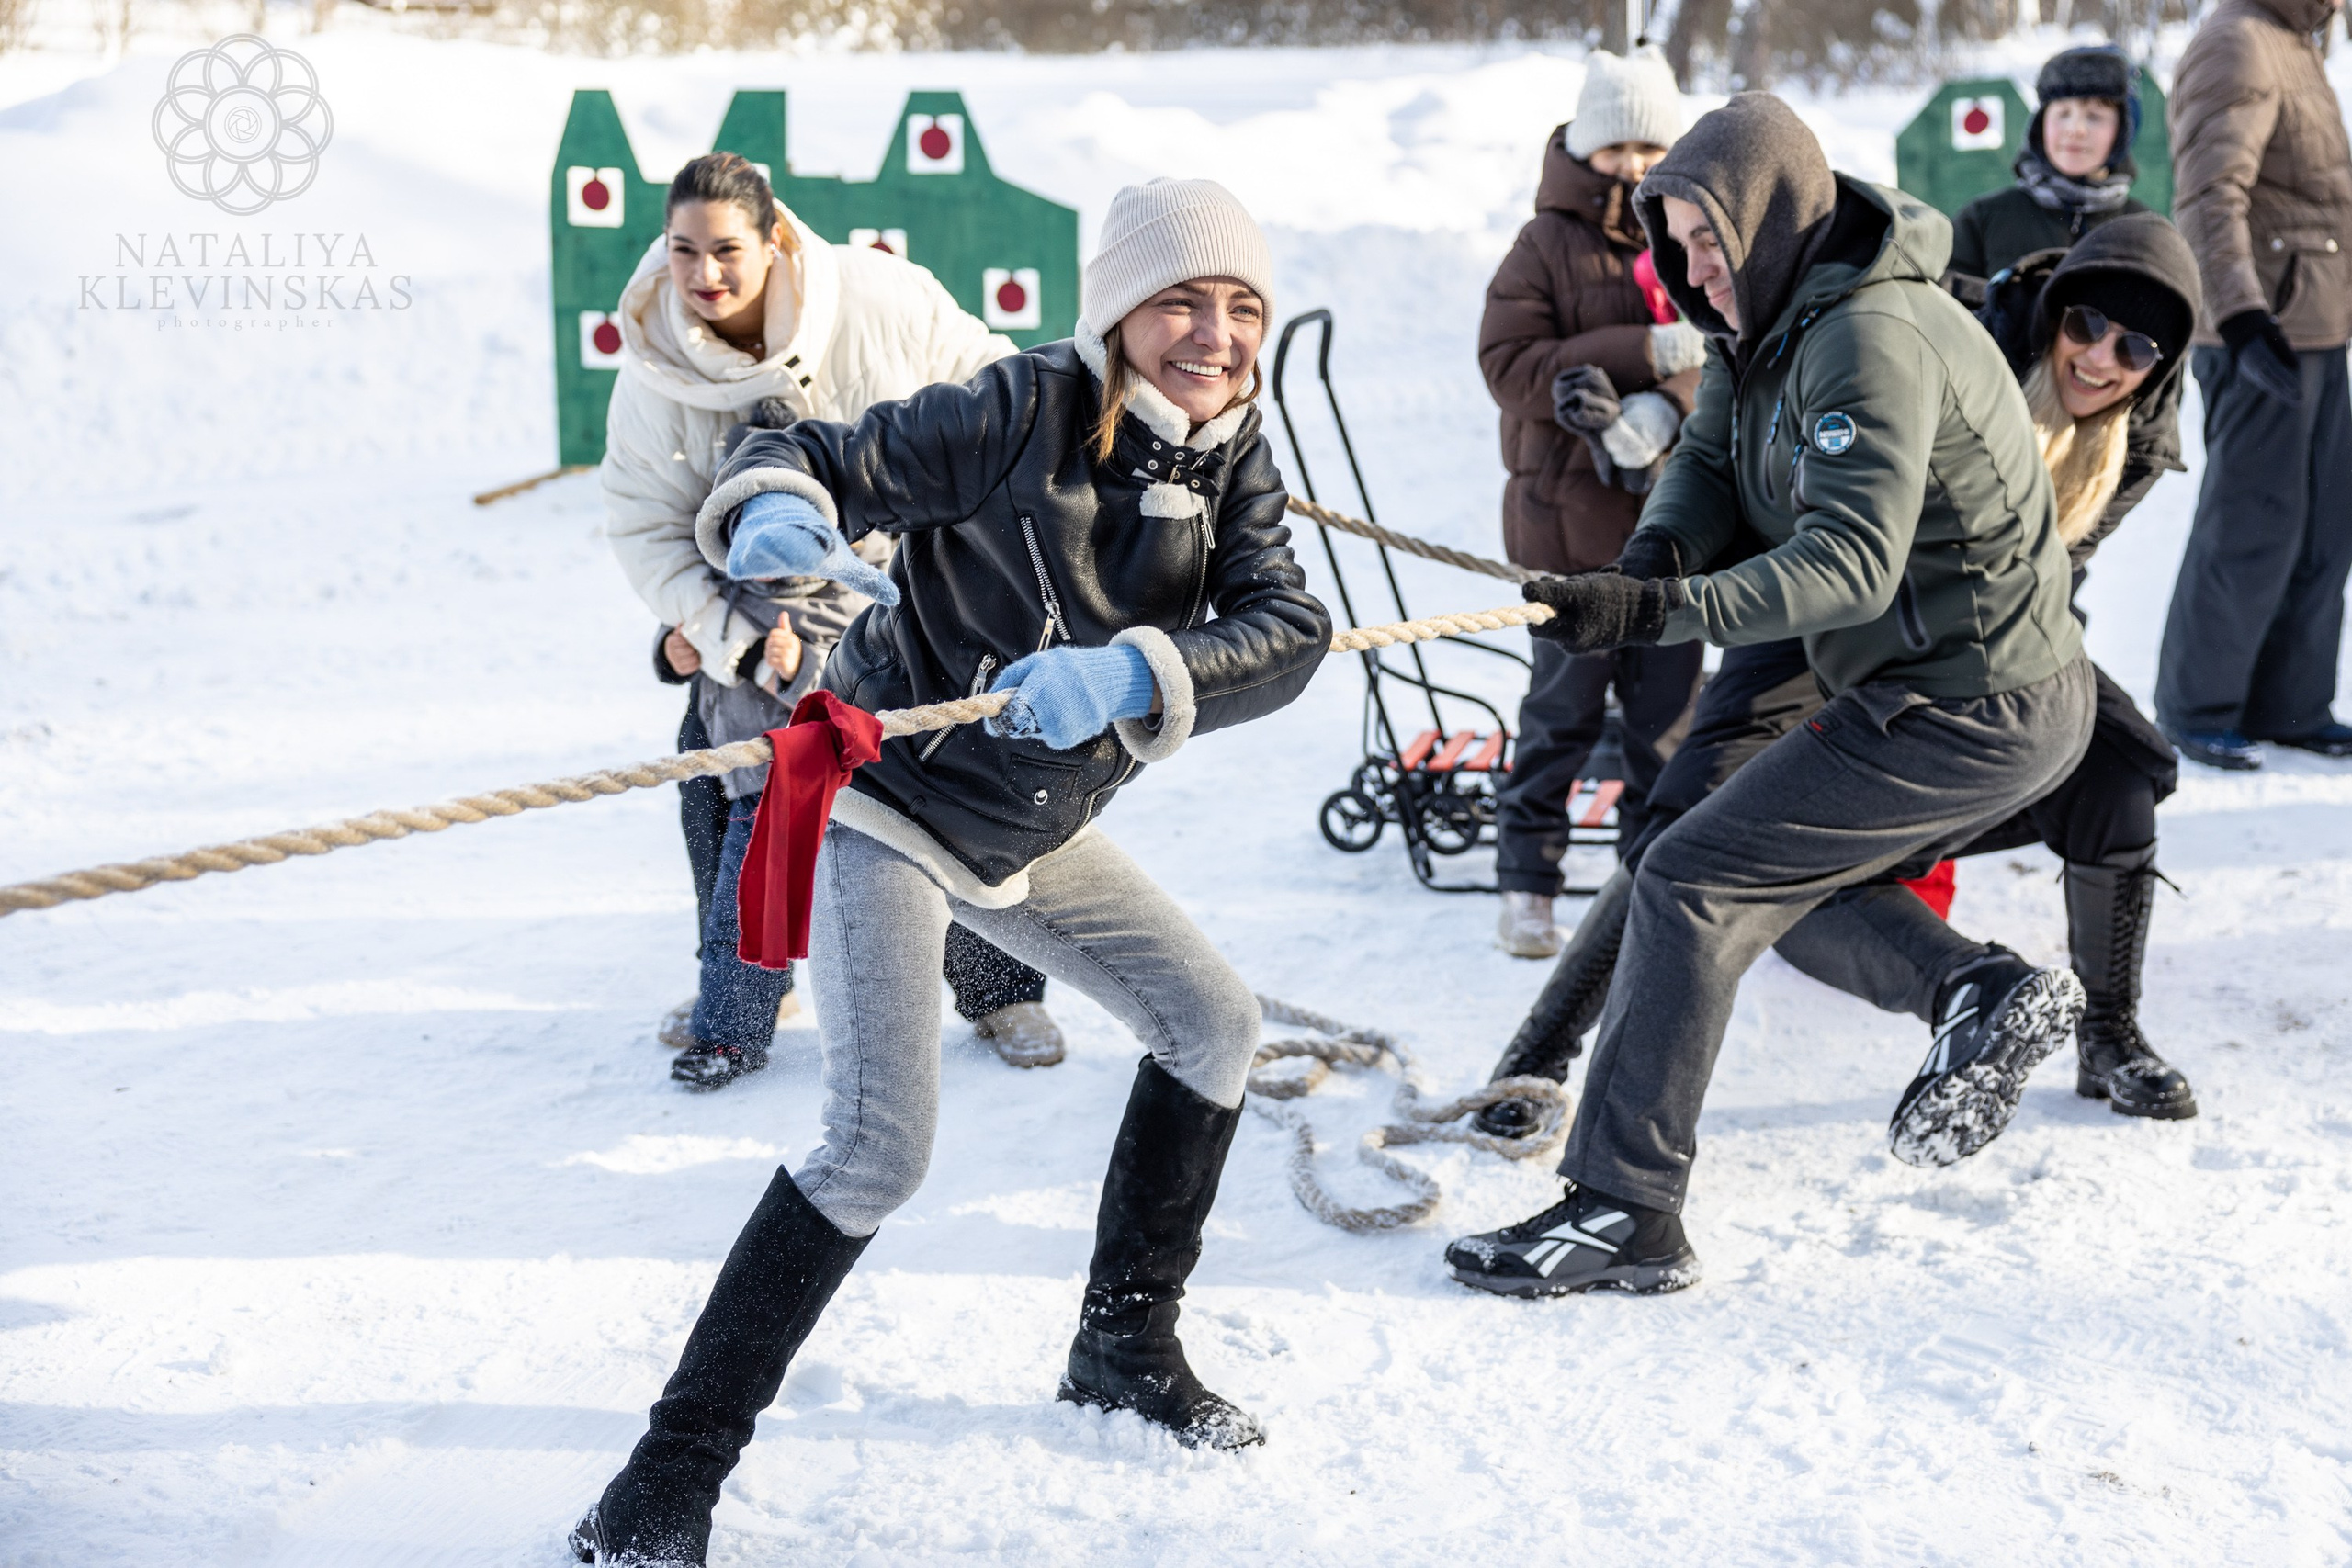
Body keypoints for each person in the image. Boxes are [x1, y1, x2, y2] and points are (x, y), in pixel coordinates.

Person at [570, 179, 1331, 1565]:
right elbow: (817, 450)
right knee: (878, 1147)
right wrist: (771, 504)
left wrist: (1133, 671)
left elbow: (1288, 626)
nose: (1213, 334)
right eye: (1180, 300)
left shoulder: (1232, 459)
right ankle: (655, 1489)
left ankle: (1124, 1346)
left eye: (1242, 308)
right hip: (888, 800)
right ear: (1115, 314)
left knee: (1213, 1023)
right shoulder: (1016, 408)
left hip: (1028, 822)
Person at [1442, 94, 2096, 1300]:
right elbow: (1702, 467)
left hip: (1968, 698)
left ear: (1773, 219)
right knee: (1748, 872)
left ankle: (1624, 1208)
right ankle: (1976, 989)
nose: (1694, 272)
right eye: (1676, 247)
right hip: (1920, 683)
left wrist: (1660, 617)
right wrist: (1644, 568)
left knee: (1694, 874)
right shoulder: (1772, 318)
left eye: (1709, 241)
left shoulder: (1869, 335)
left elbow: (1851, 562)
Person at [1476, 214, 2209, 1138]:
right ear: (2053, 312)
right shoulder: (1965, 334)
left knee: (2119, 773)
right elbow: (1805, 472)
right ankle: (1537, 1058)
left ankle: (2109, 1035)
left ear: (2162, 365)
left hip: (1966, 641)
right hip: (1817, 593)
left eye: (2135, 347)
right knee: (1688, 818)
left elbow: (2050, 579)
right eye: (2086, 326)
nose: (2101, 358)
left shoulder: (2134, 437)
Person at [602, 152, 1068, 1089]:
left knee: (949, 801)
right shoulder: (654, 364)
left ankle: (999, 989)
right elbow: (643, 525)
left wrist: (987, 560)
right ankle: (742, 987)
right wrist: (722, 635)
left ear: (774, 239)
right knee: (725, 790)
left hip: (913, 599)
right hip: (755, 618)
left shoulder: (881, 299)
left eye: (726, 248)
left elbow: (999, 400)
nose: (704, 274)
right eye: (683, 249)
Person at [1479, 45, 1708, 958]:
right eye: (1618, 149)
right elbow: (1506, 365)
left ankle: (1639, 886)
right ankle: (1527, 883)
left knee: (1663, 724)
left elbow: (1729, 353)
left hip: (1677, 526)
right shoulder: (1543, 245)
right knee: (1562, 713)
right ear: (1585, 147)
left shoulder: (1698, 234)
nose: (1636, 167)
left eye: (1652, 147)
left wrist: (1668, 403)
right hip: (1566, 522)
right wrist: (1626, 360)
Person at [2155, 0, 2352, 769]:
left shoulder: (2291, 41)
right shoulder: (2235, 41)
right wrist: (2239, 315)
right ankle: (2198, 705)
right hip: (2262, 327)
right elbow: (2209, 194)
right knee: (2252, 521)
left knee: (2323, 525)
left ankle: (2291, 702)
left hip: (2317, 327)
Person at [1948, 46, 2151, 290]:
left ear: (2122, 131)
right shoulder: (1982, 220)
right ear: (2040, 124)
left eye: (2094, 116)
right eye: (2063, 113)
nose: (2075, 129)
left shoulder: (2145, 230)